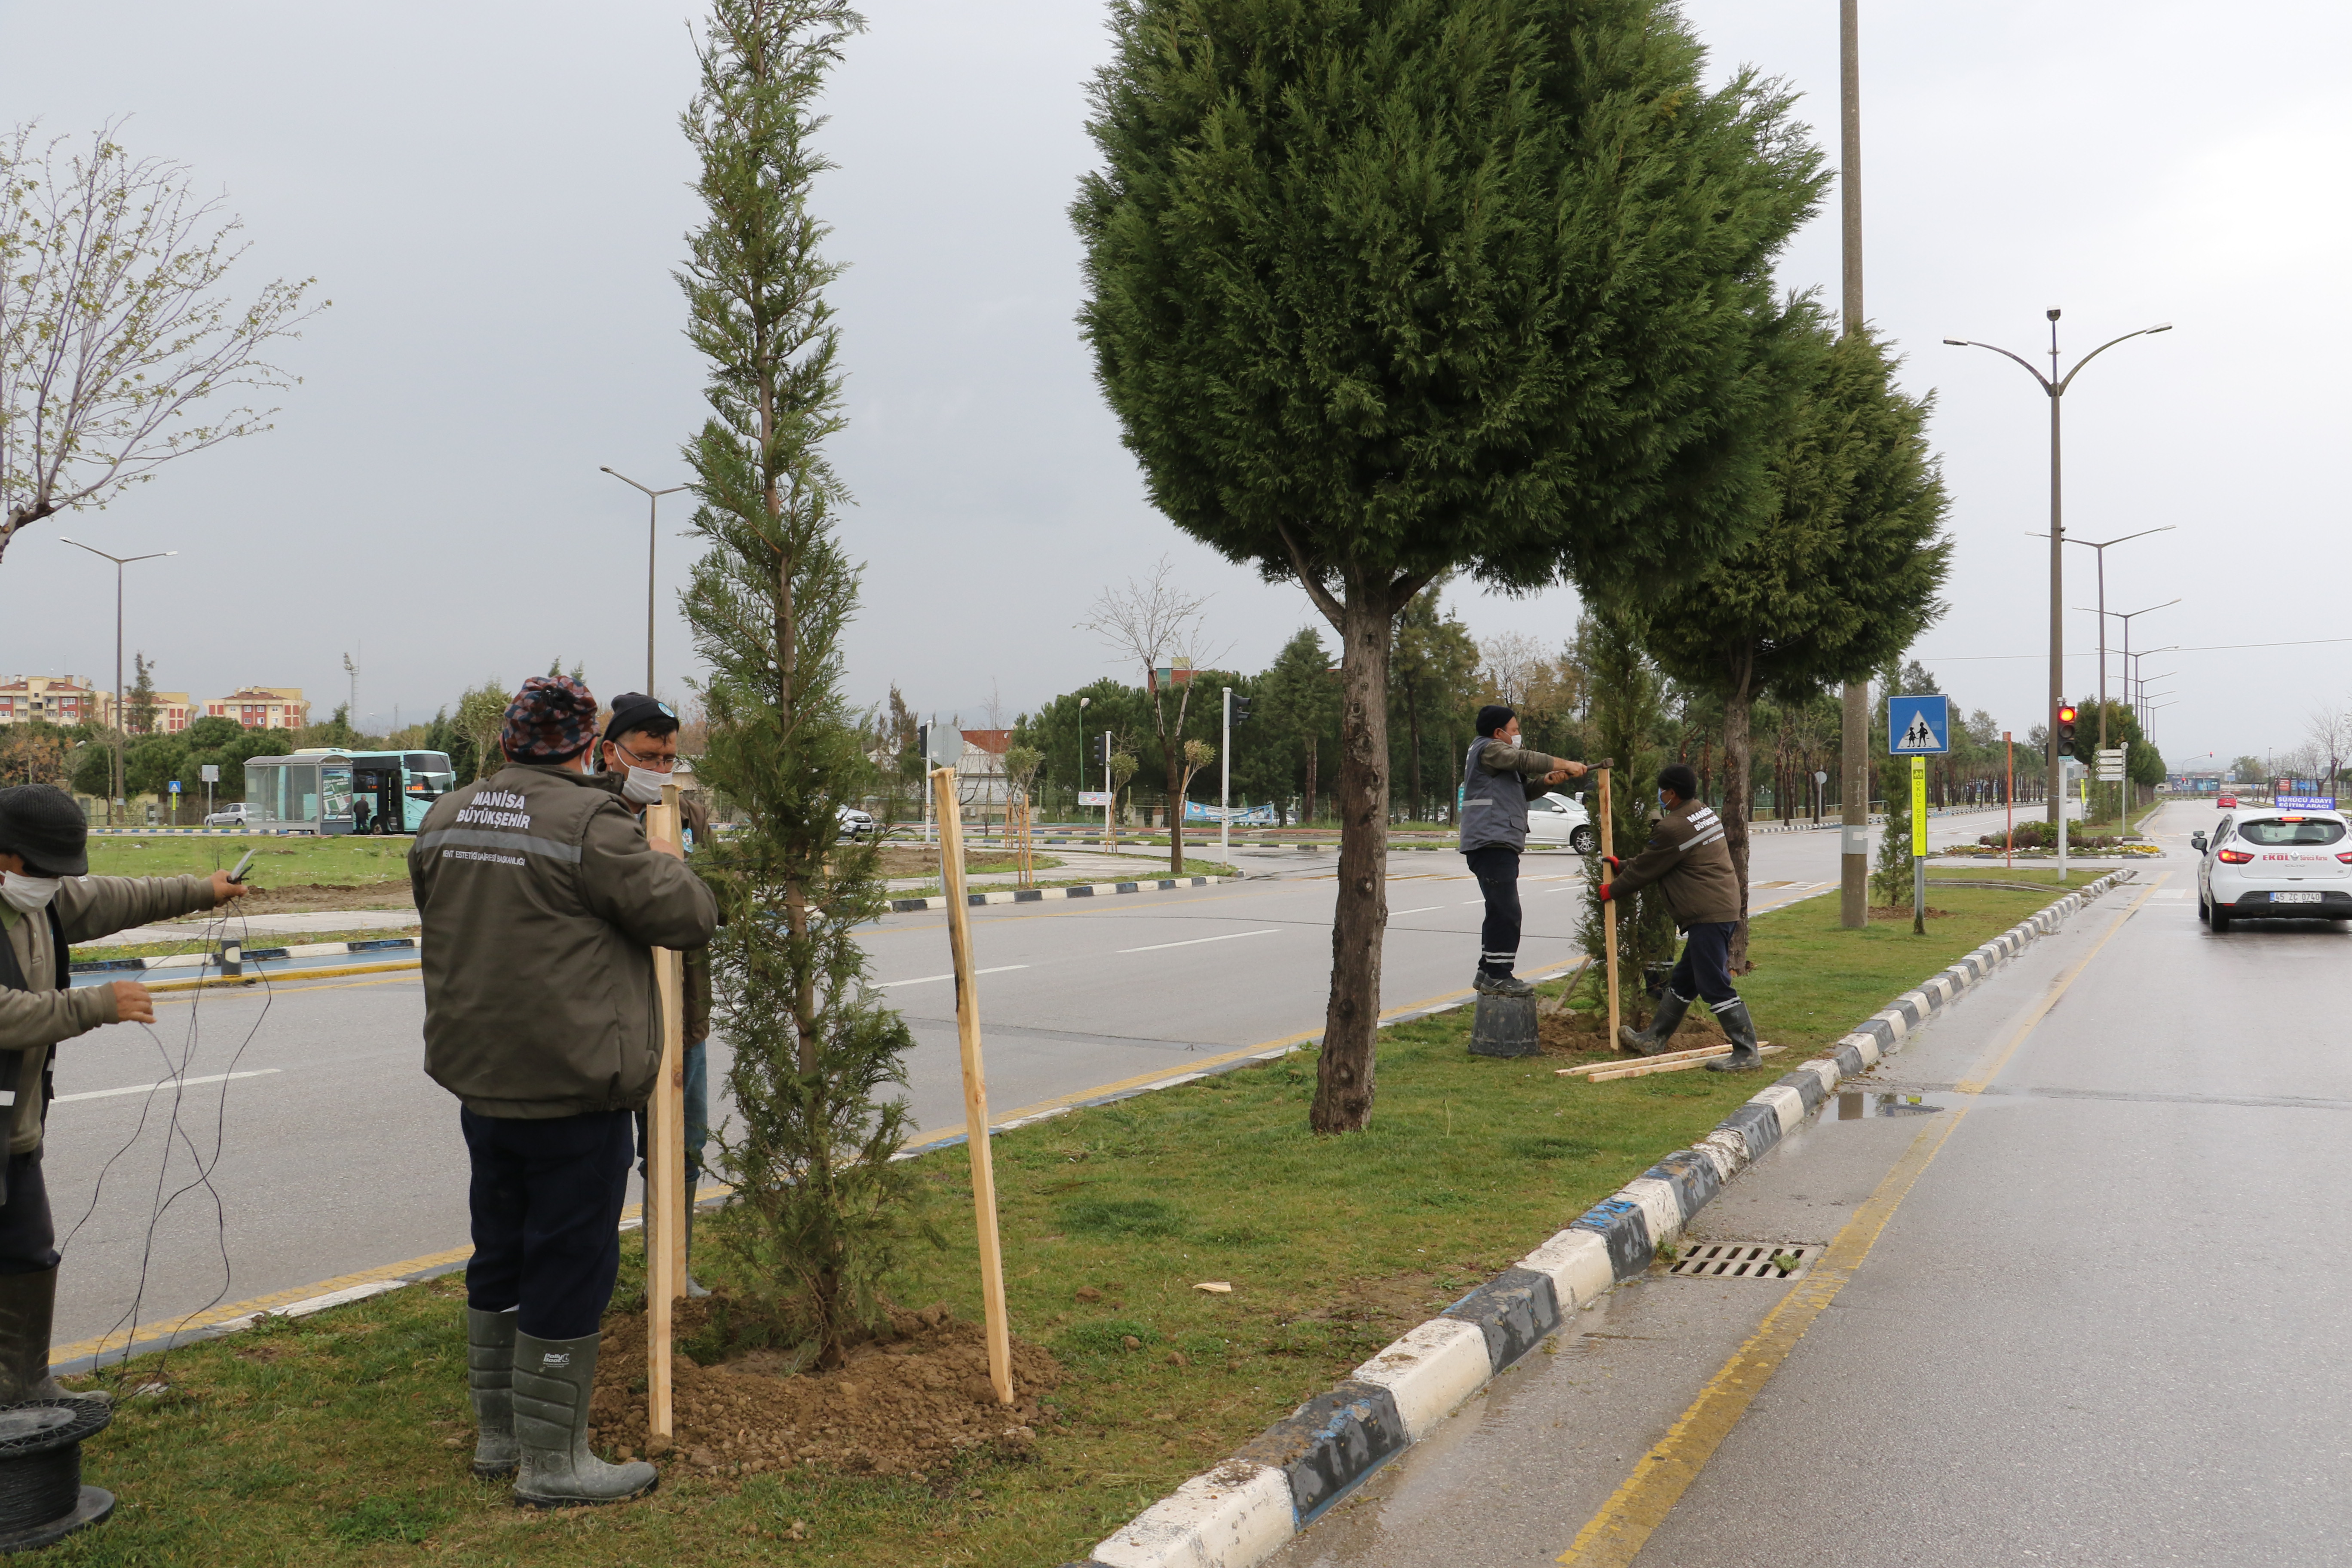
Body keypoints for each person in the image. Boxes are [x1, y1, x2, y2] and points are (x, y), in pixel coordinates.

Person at [411, 676, 717, 1507]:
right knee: (569, 1257)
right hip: (572, 1082)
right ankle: (554, 1461)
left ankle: (497, 1432)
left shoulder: (446, 815)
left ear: (508, 741)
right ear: (590, 747)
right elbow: (688, 915)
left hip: (482, 1079)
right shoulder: (591, 824)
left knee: (499, 1247)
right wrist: (658, 854)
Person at [0, 783, 251, 1403]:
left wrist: (203, 889)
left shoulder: (39, 899)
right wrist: (95, 1004)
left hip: (14, 1127)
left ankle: (25, 1387)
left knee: (29, 1254)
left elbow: (116, 898)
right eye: (45, 870)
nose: (56, 884)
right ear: (7, 857)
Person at [591, 693, 716, 1299]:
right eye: (648, 755)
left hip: (683, 1019)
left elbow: (708, 905)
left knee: (683, 1149)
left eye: (669, 757)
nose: (660, 768)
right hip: (614, 1023)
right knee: (603, 1160)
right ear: (611, 753)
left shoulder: (688, 815)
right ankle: (594, 1276)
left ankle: (672, 1271)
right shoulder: (592, 817)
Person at [1597, 763, 1758, 1070]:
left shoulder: (1674, 827)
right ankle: (1654, 1039)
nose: (1660, 796)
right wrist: (1626, 864)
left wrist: (1613, 890)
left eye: (1662, 792)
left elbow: (1651, 867)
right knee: (1685, 981)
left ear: (1671, 793)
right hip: (1719, 907)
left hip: (1708, 913)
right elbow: (1659, 858)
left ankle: (1747, 1052)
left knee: (1713, 985)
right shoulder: (1701, 812)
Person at [1459, 704, 1586, 997]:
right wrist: (1565, 763)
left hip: (1497, 840)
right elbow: (1525, 759)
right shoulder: (1490, 749)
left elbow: (1522, 791)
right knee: (1507, 911)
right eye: (1515, 730)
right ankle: (1499, 975)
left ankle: (1488, 970)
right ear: (1498, 732)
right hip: (1491, 841)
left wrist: (1546, 782)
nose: (1518, 736)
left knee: (1499, 909)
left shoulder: (1496, 758)